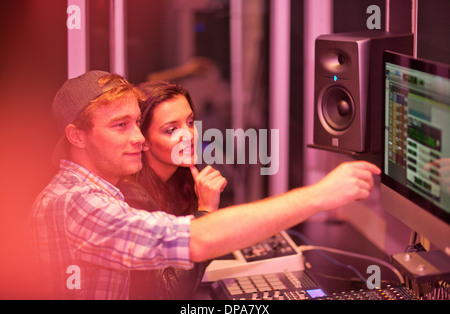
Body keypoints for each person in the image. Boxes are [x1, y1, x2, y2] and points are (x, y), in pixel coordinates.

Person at [29, 70, 381, 300]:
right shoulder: (74, 201)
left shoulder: (107, 192)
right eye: (120, 126)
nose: (137, 137)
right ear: (76, 136)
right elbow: (193, 242)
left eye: (137, 123)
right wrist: (319, 195)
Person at [117, 81, 227, 299]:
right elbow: (166, 294)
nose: (189, 135)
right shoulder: (131, 198)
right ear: (143, 141)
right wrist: (206, 213)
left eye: (190, 122)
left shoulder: (183, 177)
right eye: (171, 129)